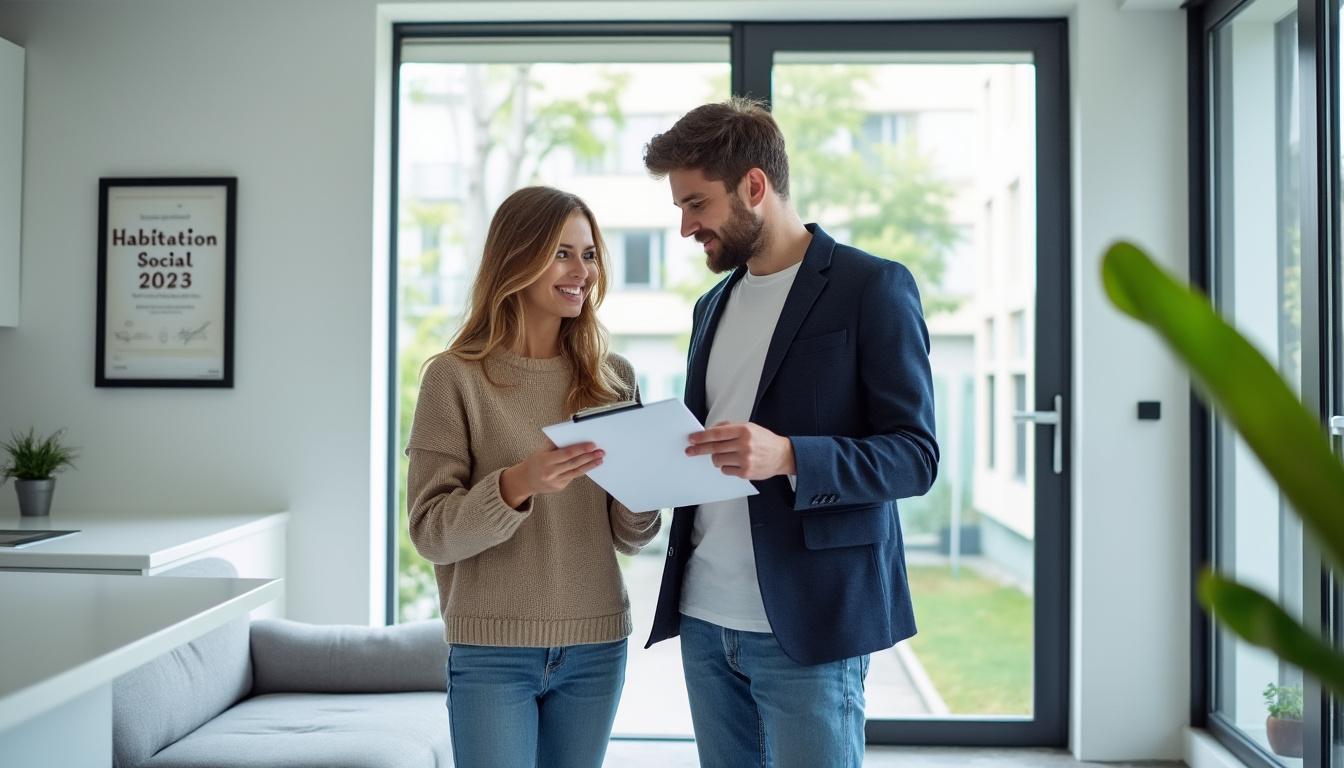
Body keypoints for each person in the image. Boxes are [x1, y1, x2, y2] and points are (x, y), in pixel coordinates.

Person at [642, 97, 939, 767]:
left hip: (810, 621)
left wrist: (789, 456)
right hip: (704, 619)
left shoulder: (872, 287)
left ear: (754, 185)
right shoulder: (710, 306)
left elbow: (915, 456)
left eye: (696, 204)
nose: (686, 227)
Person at [405, 185, 662, 768]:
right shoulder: (453, 378)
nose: (582, 271)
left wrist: (649, 482)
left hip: (596, 644)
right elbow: (430, 531)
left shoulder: (613, 379)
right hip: (492, 651)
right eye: (562, 253)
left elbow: (632, 534)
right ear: (517, 258)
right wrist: (517, 483)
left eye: (589, 255)